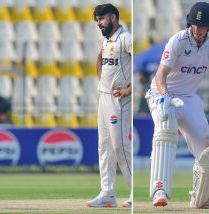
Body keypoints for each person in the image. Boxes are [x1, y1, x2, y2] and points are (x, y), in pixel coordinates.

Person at [146, 2, 209, 209]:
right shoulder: (178, 41)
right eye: (194, 24)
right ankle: (159, 189)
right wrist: (165, 98)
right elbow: (160, 75)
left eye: (202, 26)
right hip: (162, 93)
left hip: (189, 97)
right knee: (166, 129)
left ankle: (203, 197)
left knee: (207, 153)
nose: (197, 29)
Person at [86, 4, 132, 208]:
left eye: (101, 19)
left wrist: (129, 89)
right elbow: (101, 58)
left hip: (119, 100)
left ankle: (134, 193)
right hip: (104, 98)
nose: (98, 23)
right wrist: (101, 80)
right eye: (96, 19)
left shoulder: (126, 38)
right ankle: (108, 194)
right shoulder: (106, 41)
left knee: (120, 147)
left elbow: (144, 64)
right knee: (104, 147)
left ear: (113, 17)